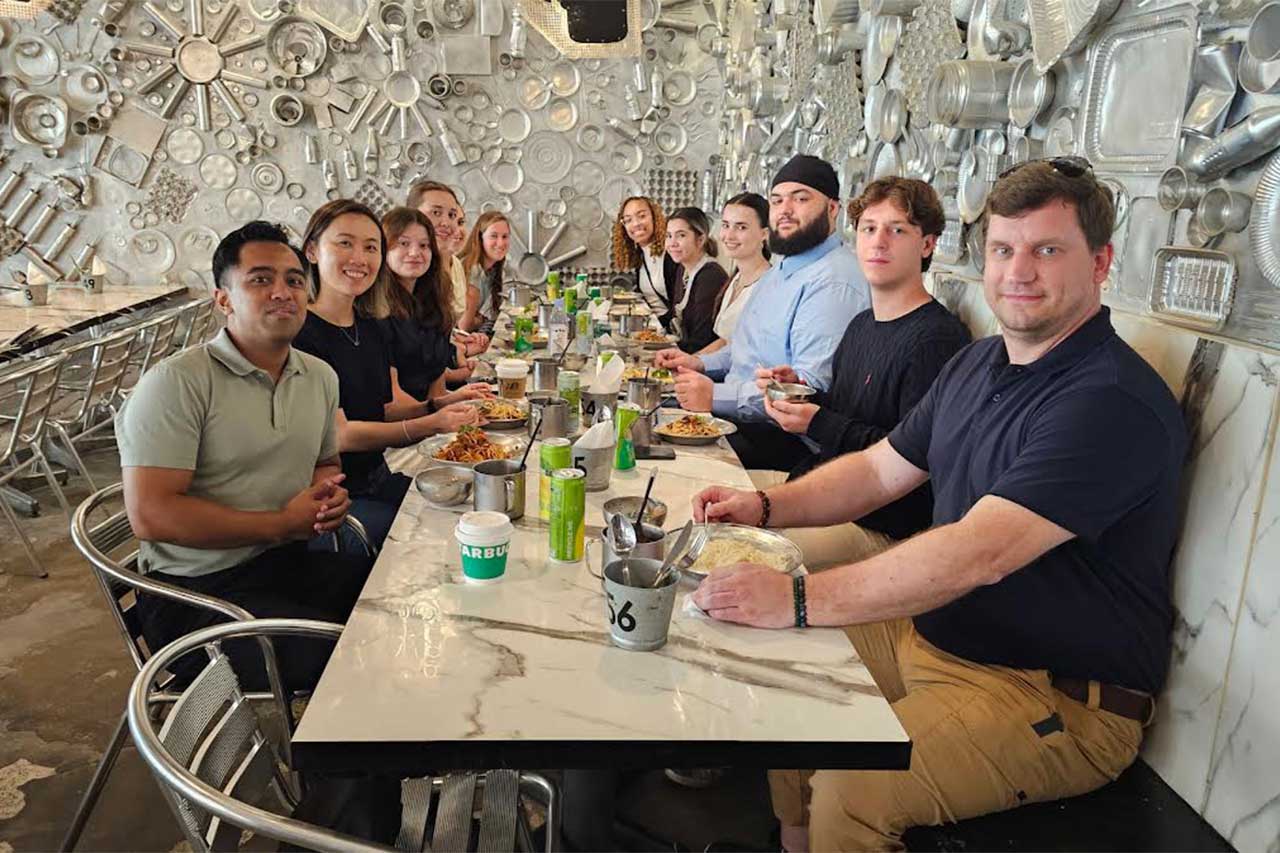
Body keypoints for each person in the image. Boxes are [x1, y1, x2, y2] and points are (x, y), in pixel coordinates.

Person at [690, 157, 1188, 851]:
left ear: (1100, 262)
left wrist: (796, 597)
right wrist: (765, 509)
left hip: (1051, 693)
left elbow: (977, 552)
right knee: (783, 677)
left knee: (851, 786)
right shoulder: (981, 363)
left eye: (1048, 250)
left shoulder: (1107, 399)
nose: (1019, 271)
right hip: (931, 633)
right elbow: (879, 469)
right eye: (1003, 249)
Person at [116, 221, 370, 691]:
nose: (282, 292)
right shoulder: (176, 383)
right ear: (224, 299)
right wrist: (279, 523)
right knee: (346, 667)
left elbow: (325, 464)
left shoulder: (318, 377)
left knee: (396, 604)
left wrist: (327, 497)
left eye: (294, 280)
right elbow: (151, 514)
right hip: (194, 595)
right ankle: (340, 764)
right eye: (260, 279)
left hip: (284, 563)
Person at [753, 178, 970, 569]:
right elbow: (849, 417)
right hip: (829, 491)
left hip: (881, 527)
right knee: (711, 508)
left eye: (897, 229)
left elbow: (912, 458)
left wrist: (818, 421)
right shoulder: (861, 325)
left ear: (927, 244)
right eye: (869, 228)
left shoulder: (939, 338)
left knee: (751, 559)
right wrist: (801, 397)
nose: (879, 241)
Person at [655, 154, 870, 470]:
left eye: (801, 199)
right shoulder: (782, 267)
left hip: (785, 438)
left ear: (832, 209)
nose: (785, 210)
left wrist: (715, 396)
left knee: (667, 457)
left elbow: (806, 391)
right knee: (644, 414)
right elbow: (743, 350)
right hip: (739, 411)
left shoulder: (834, 281)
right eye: (778, 200)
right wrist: (698, 363)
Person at [294, 199, 484, 550]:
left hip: (378, 478)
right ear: (312, 251)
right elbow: (340, 436)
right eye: (345, 243)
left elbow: (385, 410)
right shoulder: (302, 334)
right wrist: (432, 423)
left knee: (474, 510)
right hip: (333, 503)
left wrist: (442, 407)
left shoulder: (369, 326)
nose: (359, 258)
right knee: (436, 540)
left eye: (370, 247)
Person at [381, 206, 484, 391]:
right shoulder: (378, 311)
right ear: (383, 250)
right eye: (403, 243)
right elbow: (392, 406)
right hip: (403, 418)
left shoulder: (432, 303)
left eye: (424, 245)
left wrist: (458, 400)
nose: (415, 253)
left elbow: (436, 391)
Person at [407, 179, 489, 352]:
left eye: (452, 215)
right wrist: (461, 351)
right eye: (436, 212)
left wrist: (461, 337)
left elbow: (438, 332)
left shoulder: (454, 264)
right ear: (411, 216)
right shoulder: (410, 270)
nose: (446, 223)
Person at [699, 192, 771, 356]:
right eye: (725, 225)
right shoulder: (737, 277)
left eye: (741, 227)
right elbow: (725, 341)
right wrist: (689, 360)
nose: (729, 236)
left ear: (764, 234)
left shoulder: (768, 286)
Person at [665, 206, 728, 353]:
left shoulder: (710, 276)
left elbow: (702, 339)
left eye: (681, 235)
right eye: (668, 236)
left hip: (704, 361)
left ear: (700, 239)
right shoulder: (683, 268)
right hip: (686, 351)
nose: (672, 243)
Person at [613, 196, 680, 326]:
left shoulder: (671, 253)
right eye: (628, 220)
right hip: (653, 326)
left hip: (670, 330)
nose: (636, 224)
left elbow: (679, 306)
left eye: (642, 216)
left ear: (654, 217)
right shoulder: (641, 255)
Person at [459, 211, 511, 336]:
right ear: (480, 238)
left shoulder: (492, 270)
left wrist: (480, 318)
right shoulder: (473, 270)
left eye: (505, 236)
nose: (501, 243)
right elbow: (464, 326)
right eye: (494, 236)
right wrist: (482, 319)